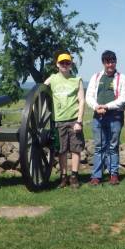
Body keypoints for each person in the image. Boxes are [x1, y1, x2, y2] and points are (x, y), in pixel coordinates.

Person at [85, 50, 125, 185]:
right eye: (107, 62)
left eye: (112, 61)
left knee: (113, 146)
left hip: (115, 116)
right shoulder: (96, 76)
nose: (110, 64)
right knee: (99, 146)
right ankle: (96, 176)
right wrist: (96, 107)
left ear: (116, 62)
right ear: (103, 63)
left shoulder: (122, 78)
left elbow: (123, 98)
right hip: (98, 115)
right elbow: (89, 95)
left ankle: (113, 174)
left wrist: (107, 106)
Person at [43, 53, 85, 189]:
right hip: (59, 120)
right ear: (57, 64)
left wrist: (79, 121)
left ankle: (74, 177)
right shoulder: (53, 79)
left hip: (73, 120)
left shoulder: (77, 79)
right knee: (61, 151)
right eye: (62, 63)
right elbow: (41, 90)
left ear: (71, 64)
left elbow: (82, 101)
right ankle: (63, 177)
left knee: (75, 149)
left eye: (67, 63)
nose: (65, 65)